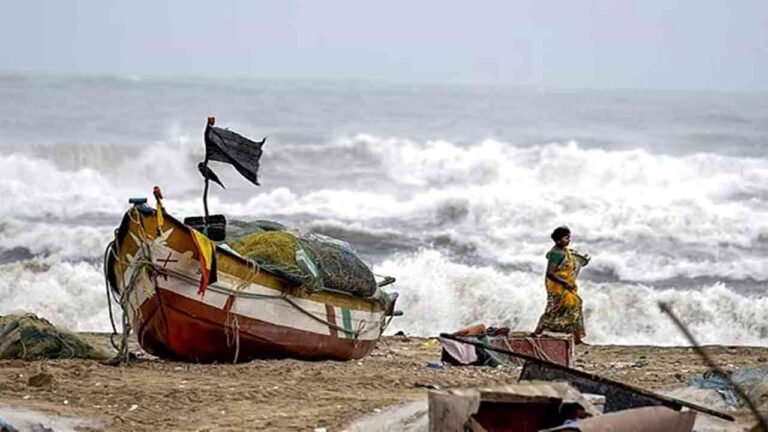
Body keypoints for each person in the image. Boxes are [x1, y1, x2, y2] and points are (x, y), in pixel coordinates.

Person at [532, 226, 589, 344]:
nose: (569, 240)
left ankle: (577, 338)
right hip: (557, 287)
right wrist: (565, 282)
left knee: (576, 306)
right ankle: (537, 332)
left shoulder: (565, 251)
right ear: (558, 240)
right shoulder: (556, 253)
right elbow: (550, 273)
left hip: (567, 286)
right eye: (566, 238)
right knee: (552, 310)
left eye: (569, 237)